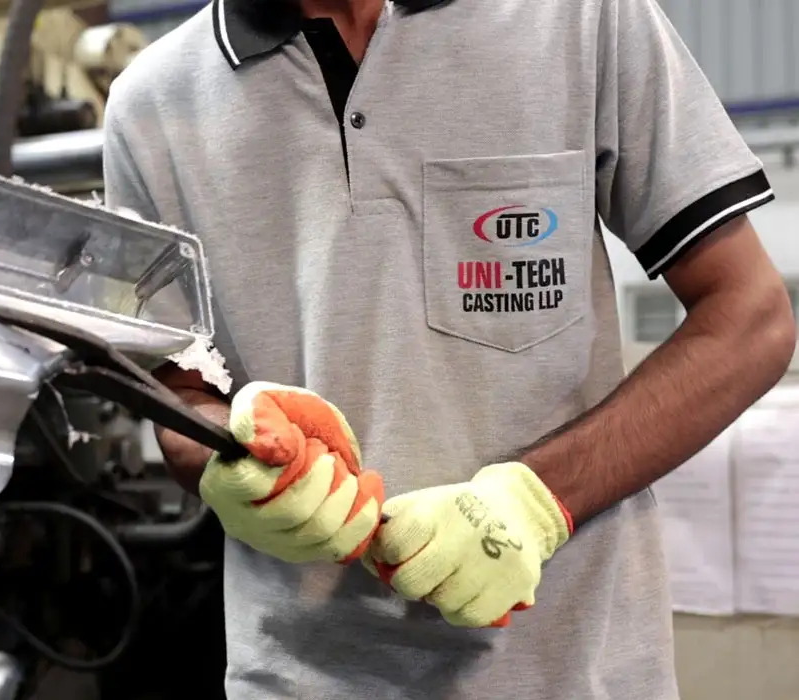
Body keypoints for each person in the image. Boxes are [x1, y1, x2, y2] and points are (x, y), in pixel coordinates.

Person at [102, 0, 797, 697]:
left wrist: (536, 500)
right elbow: (178, 390)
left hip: (579, 675)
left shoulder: (582, 19)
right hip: (300, 680)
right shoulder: (151, 106)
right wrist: (235, 456)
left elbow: (750, 319)